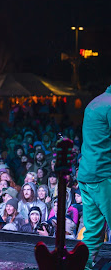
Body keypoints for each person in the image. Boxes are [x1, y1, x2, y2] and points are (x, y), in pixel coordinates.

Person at [79, 87, 111, 269]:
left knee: (92, 231)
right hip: (103, 175)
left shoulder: (95, 102)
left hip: (87, 175)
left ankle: (84, 266)